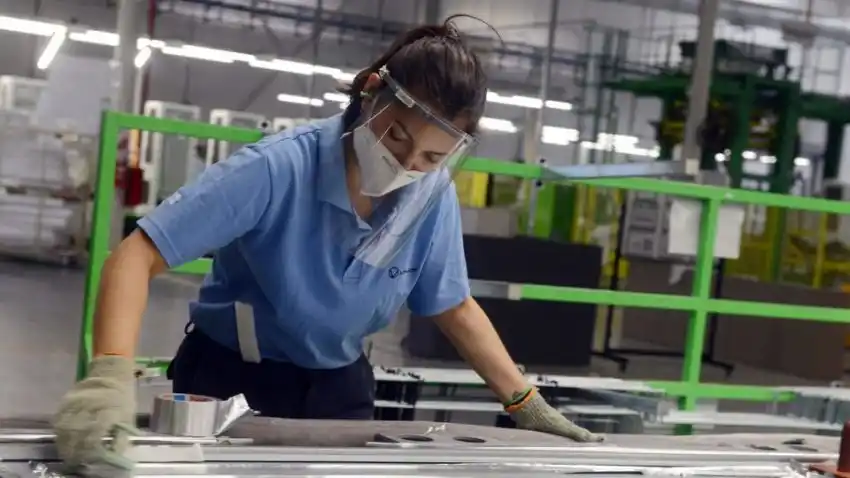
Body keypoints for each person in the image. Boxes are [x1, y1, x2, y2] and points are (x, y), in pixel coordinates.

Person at [53, 15, 600, 476]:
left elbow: (452, 303)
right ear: (370, 94)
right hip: (230, 381)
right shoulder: (276, 168)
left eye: (433, 158)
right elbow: (137, 255)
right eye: (398, 137)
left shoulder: (428, 196)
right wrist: (109, 377)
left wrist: (524, 402)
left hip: (339, 388)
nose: (409, 165)